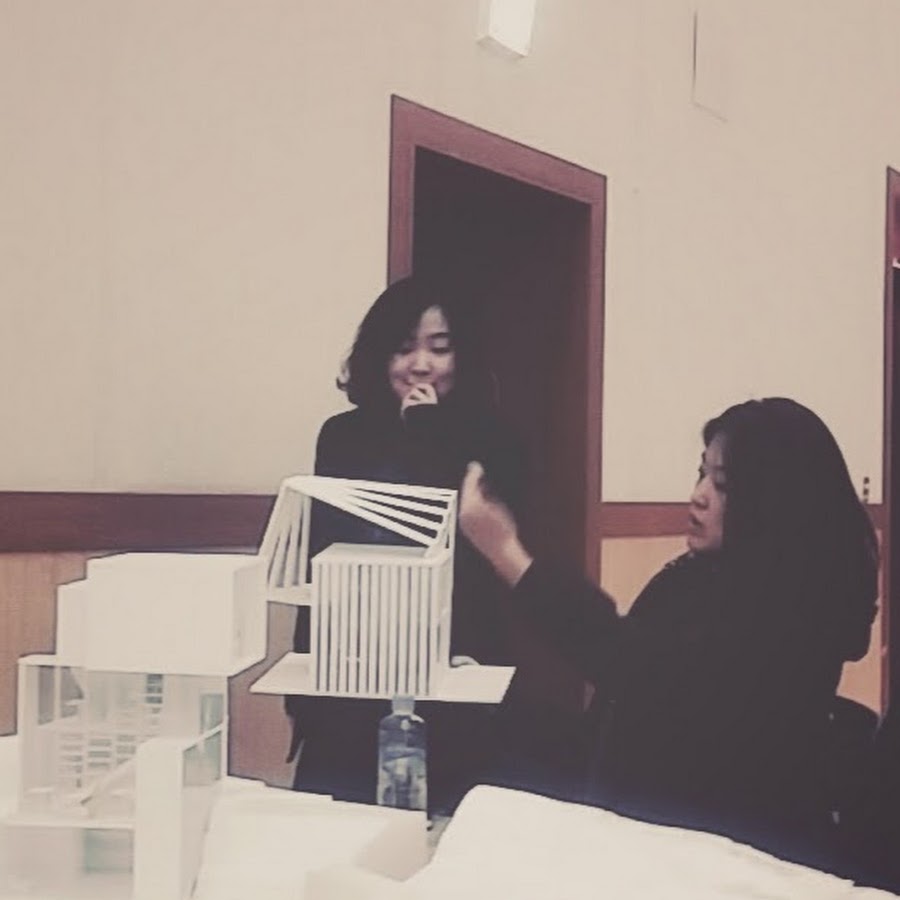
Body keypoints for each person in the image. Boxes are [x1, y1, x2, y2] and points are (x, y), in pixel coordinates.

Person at [459, 397, 879, 868]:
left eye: (723, 485)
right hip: (650, 825)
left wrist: (508, 554)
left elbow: (637, 670)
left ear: (773, 505)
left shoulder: (787, 618)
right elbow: (619, 708)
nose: (699, 495)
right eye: (702, 474)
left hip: (723, 855)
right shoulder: (699, 578)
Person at [286, 276, 526, 812]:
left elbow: (475, 537)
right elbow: (322, 551)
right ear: (378, 356)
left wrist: (428, 429)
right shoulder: (341, 435)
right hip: (351, 656)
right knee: (337, 816)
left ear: (462, 356)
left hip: (454, 657)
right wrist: (306, 676)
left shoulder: (492, 437)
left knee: (446, 821)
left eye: (439, 348)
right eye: (403, 348)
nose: (421, 364)